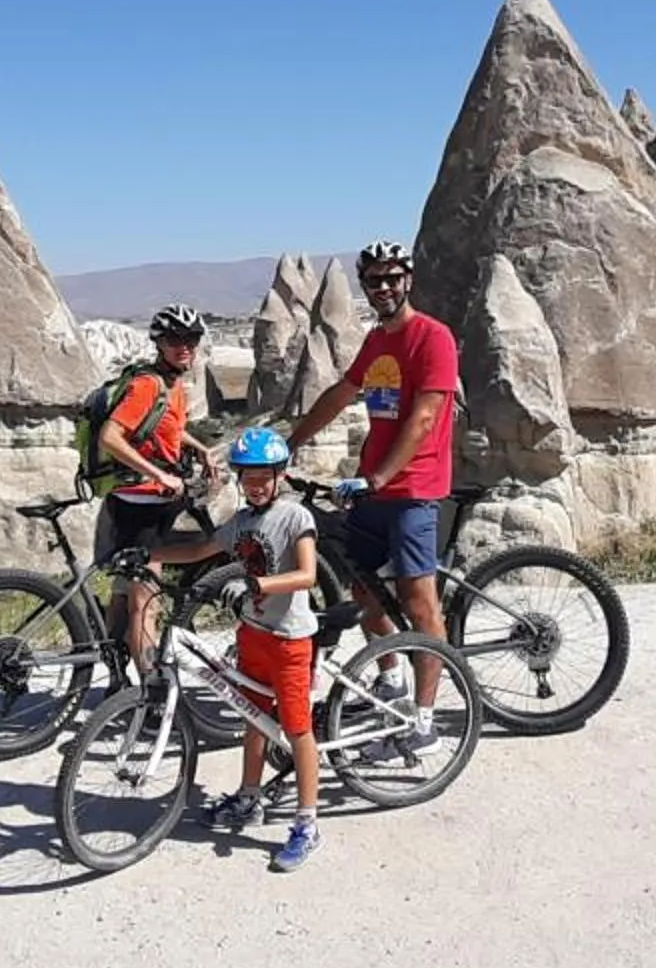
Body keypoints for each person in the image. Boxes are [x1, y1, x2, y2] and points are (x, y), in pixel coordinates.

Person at [288, 239, 454, 759]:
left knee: (419, 602)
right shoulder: (378, 341)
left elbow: (424, 418)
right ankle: (390, 678)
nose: (383, 287)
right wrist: (289, 442)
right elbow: (342, 393)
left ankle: (424, 723)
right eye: (374, 280)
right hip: (374, 485)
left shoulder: (432, 337)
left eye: (391, 278)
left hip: (413, 488)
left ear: (408, 279)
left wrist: (379, 477)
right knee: (360, 589)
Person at [146, 426, 324, 872]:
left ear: (280, 474)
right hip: (254, 634)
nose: (256, 484)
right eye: (248, 477)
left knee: (298, 730)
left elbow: (307, 575)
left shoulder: (295, 518)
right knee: (253, 718)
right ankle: (248, 797)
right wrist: (151, 554)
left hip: (289, 640)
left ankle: (307, 822)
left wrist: (255, 582)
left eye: (264, 475)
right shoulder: (242, 522)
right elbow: (204, 548)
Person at [93, 304, 217, 682]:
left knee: (124, 593)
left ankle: (116, 679)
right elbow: (111, 437)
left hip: (151, 503)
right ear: (160, 343)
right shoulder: (147, 384)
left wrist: (198, 446)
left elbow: (164, 427)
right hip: (141, 505)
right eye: (175, 340)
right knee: (144, 604)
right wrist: (156, 475)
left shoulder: (172, 384)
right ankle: (150, 692)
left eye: (191, 340)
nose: (185, 347)